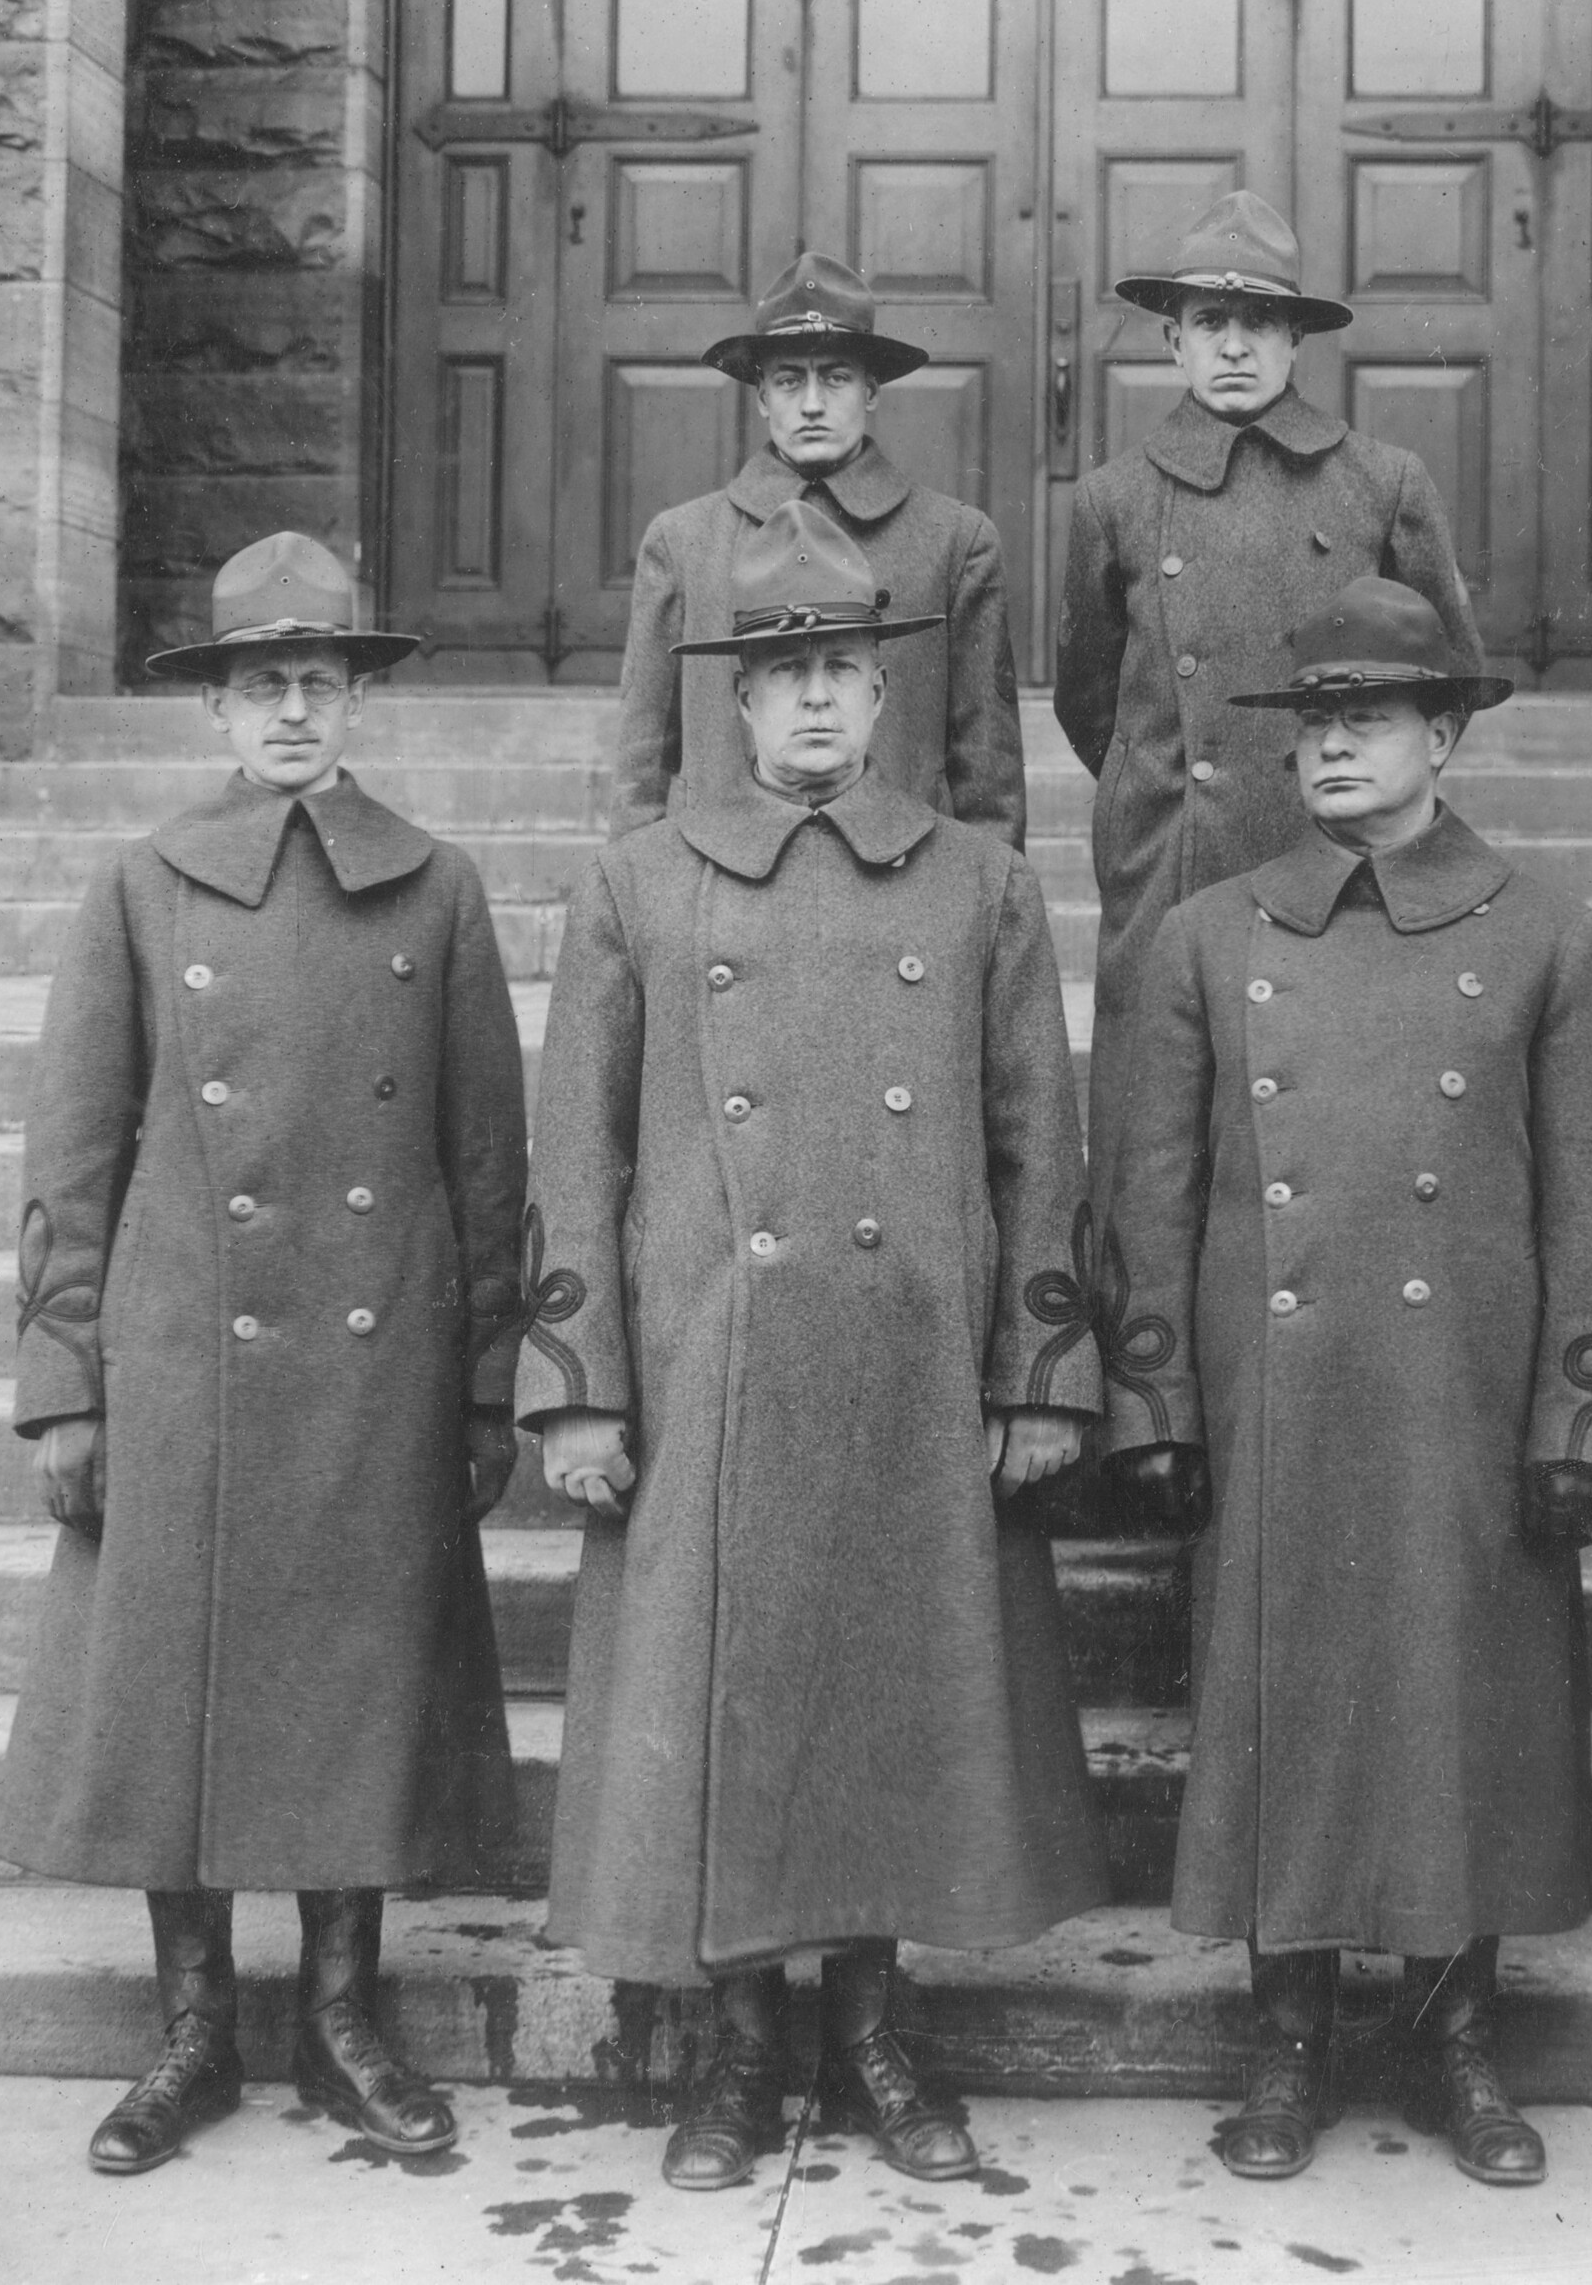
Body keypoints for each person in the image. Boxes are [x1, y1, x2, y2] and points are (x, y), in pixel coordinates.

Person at [520, 500, 1107, 2195]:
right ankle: (730, 2045)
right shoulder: (639, 880)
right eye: (785, 679)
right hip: (711, 1363)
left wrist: (1037, 1376)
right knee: (724, 1708)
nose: (820, 705)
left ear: (886, 688)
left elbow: (1035, 1149)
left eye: (846, 669)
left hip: (913, 1361)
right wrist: (583, 1389)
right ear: (735, 703)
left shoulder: (977, 878)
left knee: (885, 1710)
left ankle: (871, 2021)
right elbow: (581, 1155)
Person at [1099, 579, 1592, 2188]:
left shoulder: (1548, 932)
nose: (1332, 741)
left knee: (1459, 1709)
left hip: (1465, 1403)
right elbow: (1151, 1192)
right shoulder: (1212, 933)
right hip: (1277, 1390)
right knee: (1290, 1706)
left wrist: (1584, 1417)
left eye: (1370, 713)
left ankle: (1455, 2027)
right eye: (1311, 717)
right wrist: (1157, 1406)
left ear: (1446, 730)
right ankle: (1287, 2031)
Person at [0, 532, 526, 2174]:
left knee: (357, 1686)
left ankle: (346, 2019)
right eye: (258, 682)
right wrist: (64, 1378)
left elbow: (488, 1158)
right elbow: (71, 1156)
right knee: (176, 1693)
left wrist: (491, 1373)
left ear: (357, 699)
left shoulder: (436, 884)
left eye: (320, 679)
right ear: (215, 708)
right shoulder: (142, 886)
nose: (292, 709)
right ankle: (195, 2027)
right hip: (184, 1359)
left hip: (376, 1359)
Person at [1056, 190, 1480, 1196]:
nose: (1234, 346)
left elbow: (1449, 680)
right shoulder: (1115, 497)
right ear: (1173, 340)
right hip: (1174, 862)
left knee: (1333, 1137)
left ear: (1296, 340)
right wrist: (1159, 801)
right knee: (1159, 1152)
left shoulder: (1382, 483)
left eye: (1258, 323)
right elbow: (1092, 707)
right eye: (1211, 323)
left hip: (1337, 846)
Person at [609, 251, 1025, 845]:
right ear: (760, 397)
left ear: (871, 389)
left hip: (899, 880)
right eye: (787, 380)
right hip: (722, 881)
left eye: (834, 377)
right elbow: (642, 768)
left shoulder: (955, 542)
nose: (811, 404)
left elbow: (990, 779)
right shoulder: (682, 543)